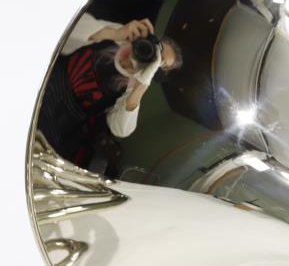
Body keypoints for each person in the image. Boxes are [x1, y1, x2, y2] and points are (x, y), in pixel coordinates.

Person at [38, 12, 182, 165]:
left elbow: (120, 130)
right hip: (44, 78)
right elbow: (62, 29)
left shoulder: (133, 87)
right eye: (157, 50)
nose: (154, 58)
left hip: (56, 123)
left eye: (160, 62)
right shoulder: (122, 37)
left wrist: (141, 86)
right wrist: (113, 33)